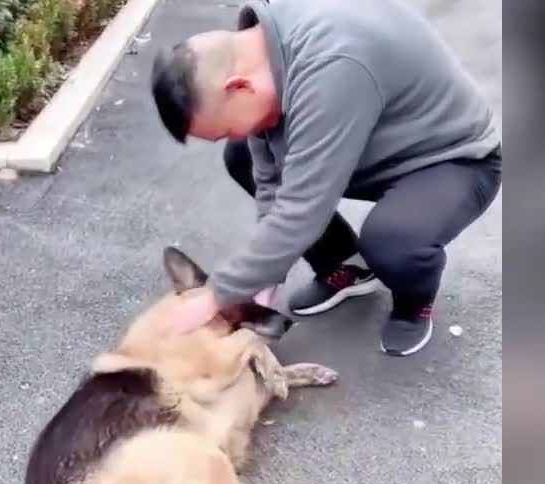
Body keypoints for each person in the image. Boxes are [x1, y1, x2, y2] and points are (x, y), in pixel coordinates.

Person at [149, 0, 502, 356]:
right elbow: (271, 181)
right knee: (241, 157)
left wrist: (215, 295)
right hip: (373, 143)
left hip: (453, 158)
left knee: (391, 241)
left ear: (239, 87)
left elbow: (301, 209)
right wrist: (268, 273)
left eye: (226, 128)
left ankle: (414, 306)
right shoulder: (260, 52)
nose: (235, 135)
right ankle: (349, 265)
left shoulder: (333, 66)